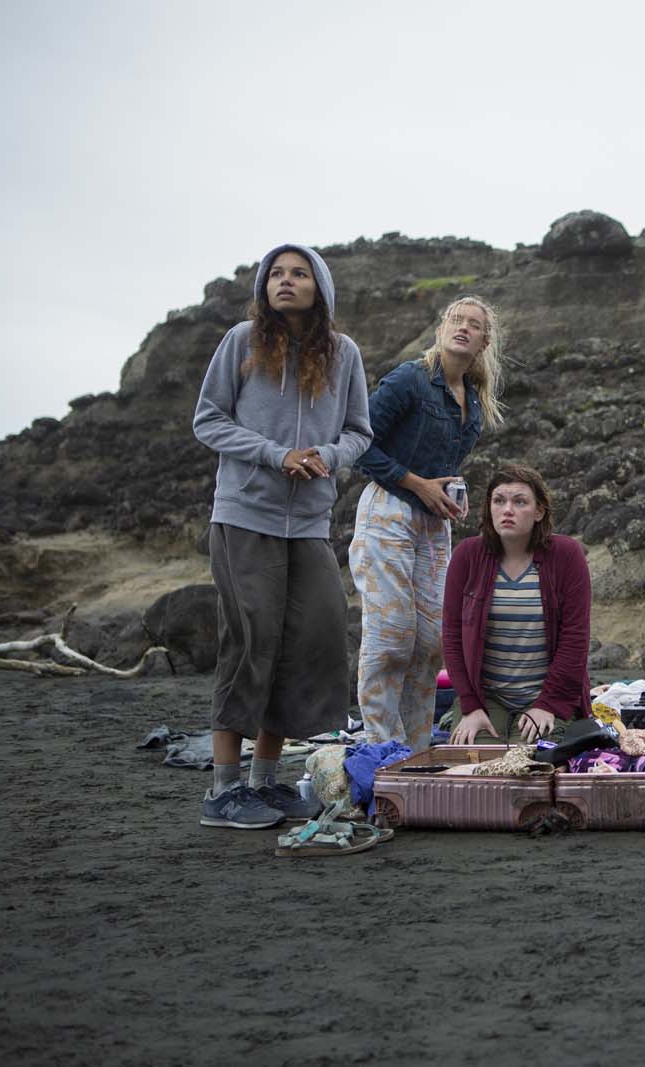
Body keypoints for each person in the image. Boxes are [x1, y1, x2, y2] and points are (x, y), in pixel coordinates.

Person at [191, 243, 372, 829]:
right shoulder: (241, 341)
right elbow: (208, 419)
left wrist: (326, 455)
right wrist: (275, 454)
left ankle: (265, 782)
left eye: (298, 273)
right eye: (276, 273)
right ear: (263, 286)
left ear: (320, 287)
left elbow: (359, 432)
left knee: (309, 640)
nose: (285, 281)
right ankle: (224, 790)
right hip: (245, 516)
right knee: (250, 643)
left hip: (310, 523)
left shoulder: (344, 353)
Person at [350, 296, 505, 751]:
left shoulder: (473, 401)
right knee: (391, 636)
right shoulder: (410, 380)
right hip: (389, 511)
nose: (463, 327)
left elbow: (444, 466)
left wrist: (452, 491)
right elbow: (359, 444)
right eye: (456, 319)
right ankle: (383, 749)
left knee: (431, 641)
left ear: (484, 342)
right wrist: (418, 484)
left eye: (473, 324)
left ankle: (416, 749)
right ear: (441, 330)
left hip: (433, 523)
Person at [442, 465, 592, 746]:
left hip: (546, 695)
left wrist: (548, 704)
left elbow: (575, 639)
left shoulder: (567, 555)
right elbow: (451, 636)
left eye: (520, 502)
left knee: (530, 762)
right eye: (499, 500)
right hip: (486, 697)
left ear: (539, 512)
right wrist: (470, 706)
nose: (507, 510)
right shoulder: (467, 556)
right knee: (478, 761)